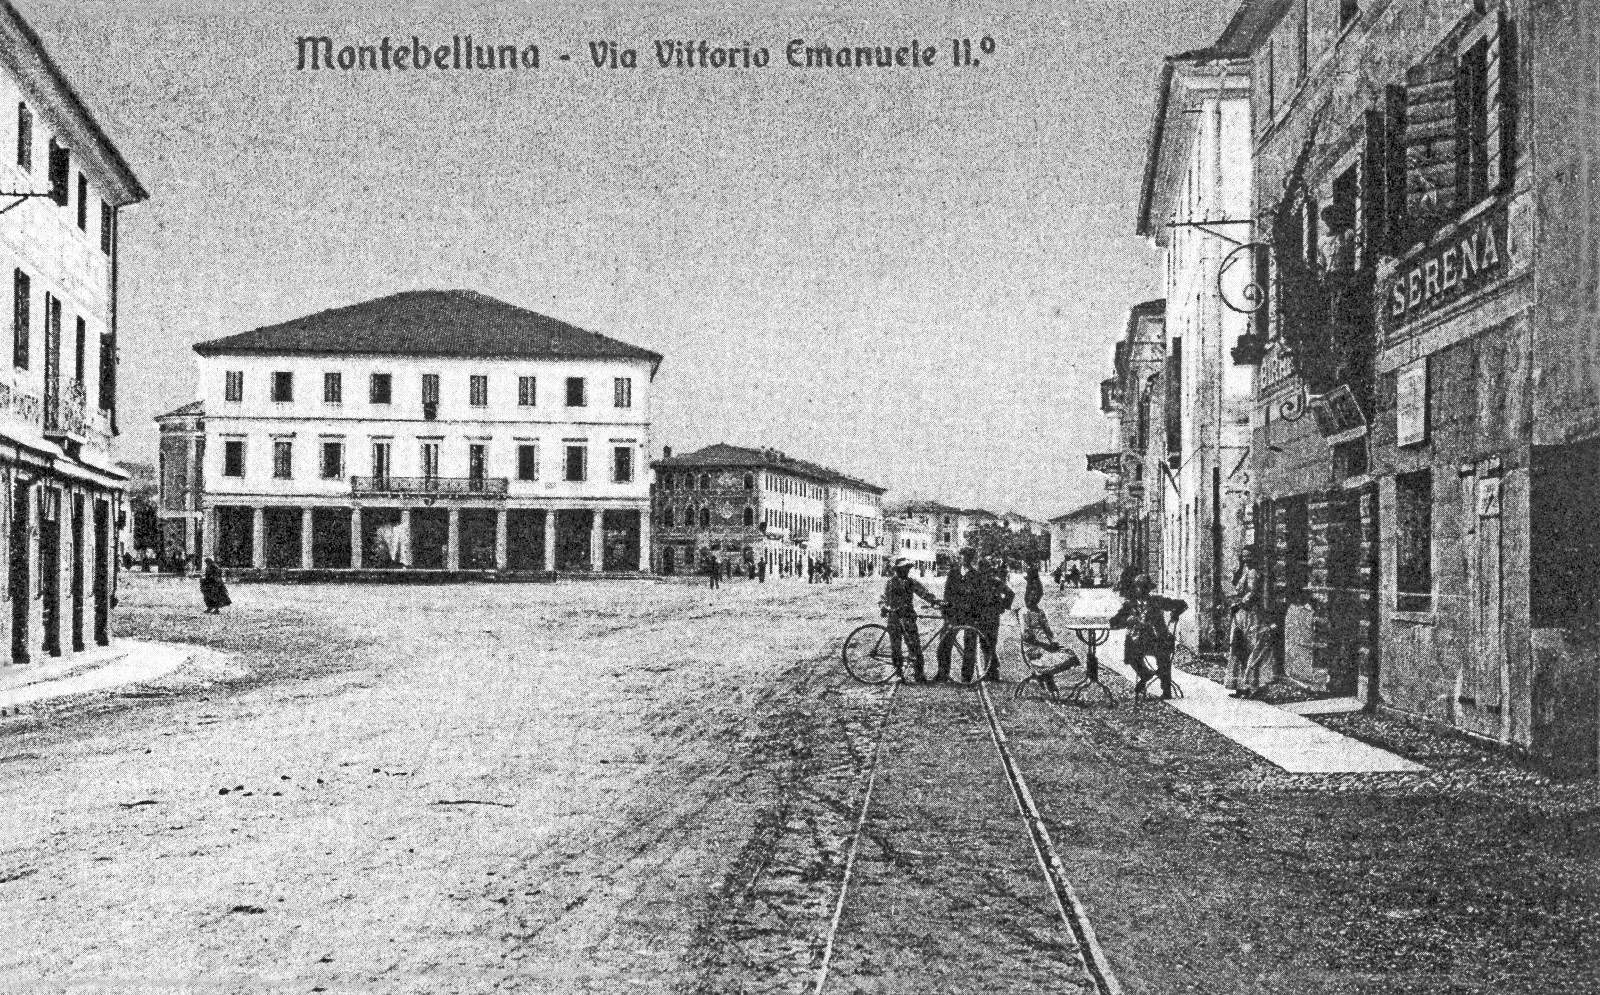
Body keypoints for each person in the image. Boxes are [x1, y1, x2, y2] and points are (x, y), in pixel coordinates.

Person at [1109, 574, 1187, 699]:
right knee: (1131, 655)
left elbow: (1182, 604)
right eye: (1140, 587)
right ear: (1135, 589)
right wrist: (1127, 621)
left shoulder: (1157, 601)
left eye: (1145, 588)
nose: (1142, 590)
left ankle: (1166, 690)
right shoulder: (1130, 605)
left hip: (1157, 639)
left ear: (1149, 589)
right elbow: (1114, 622)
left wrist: (1175, 614)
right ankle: (1145, 674)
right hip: (1137, 641)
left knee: (1163, 657)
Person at [880, 556, 942, 682]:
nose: (906, 571)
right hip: (894, 618)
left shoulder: (911, 582)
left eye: (907, 568)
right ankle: (898, 673)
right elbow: (883, 597)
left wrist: (934, 601)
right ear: (897, 570)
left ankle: (919, 674)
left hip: (908, 617)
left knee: (915, 646)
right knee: (896, 647)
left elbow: (924, 593)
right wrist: (883, 606)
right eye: (903, 568)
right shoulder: (890, 583)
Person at [1227, 548, 1274, 698]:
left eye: (1249, 556)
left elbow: (1252, 593)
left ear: (1254, 557)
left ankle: (1252, 687)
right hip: (1241, 614)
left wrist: (1239, 604)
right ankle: (1240, 686)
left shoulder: (1253, 572)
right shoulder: (1244, 571)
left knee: (1250, 647)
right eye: (1244, 556)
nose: (1246, 559)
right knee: (1238, 647)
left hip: (1250, 614)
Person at [936, 548, 981, 682]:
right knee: (944, 643)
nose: (965, 559)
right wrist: (946, 611)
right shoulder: (953, 573)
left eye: (968, 557)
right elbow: (947, 593)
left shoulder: (976, 575)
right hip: (953, 613)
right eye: (963, 556)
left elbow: (979, 597)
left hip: (970, 615)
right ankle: (943, 673)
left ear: (971, 558)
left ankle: (966, 677)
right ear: (960, 557)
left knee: (970, 646)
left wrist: (976, 615)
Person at [973, 556, 1015, 682]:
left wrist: (1003, 606)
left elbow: (1010, 593)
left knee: (989, 643)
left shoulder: (994, 582)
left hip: (990, 616)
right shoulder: (981, 582)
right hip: (983, 616)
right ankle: (992, 670)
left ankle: (992, 671)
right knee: (986, 644)